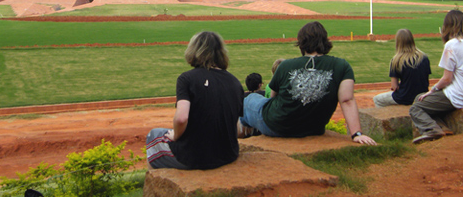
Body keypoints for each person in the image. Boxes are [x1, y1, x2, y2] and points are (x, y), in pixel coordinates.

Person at [239, 21, 376, 145]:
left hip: (277, 126)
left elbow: (272, 98)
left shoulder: (286, 65)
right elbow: (347, 100)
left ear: (301, 42)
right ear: (325, 41)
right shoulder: (342, 66)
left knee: (249, 99)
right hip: (314, 128)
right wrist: (356, 134)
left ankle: (239, 137)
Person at [146, 31, 244, 169]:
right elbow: (237, 128)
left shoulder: (186, 79)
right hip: (229, 155)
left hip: (194, 158)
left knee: (153, 135)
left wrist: (175, 136)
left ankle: (154, 183)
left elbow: (181, 119)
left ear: (194, 51)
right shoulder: (235, 82)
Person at [409, 10, 463, 144]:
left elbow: (447, 79)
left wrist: (432, 90)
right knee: (422, 99)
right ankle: (443, 128)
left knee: (416, 107)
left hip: (457, 96)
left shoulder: (451, 45)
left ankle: (432, 129)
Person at [373, 29, 431, 107]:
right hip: (422, 96)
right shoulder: (424, 57)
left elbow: (394, 87)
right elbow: (424, 78)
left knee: (377, 99)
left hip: (405, 97)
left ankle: (388, 117)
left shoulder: (396, 60)